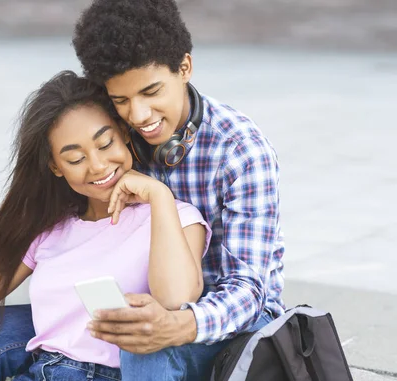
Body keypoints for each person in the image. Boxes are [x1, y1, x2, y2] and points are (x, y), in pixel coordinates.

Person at [0, 71, 211, 381]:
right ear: (55, 167)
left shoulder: (176, 217)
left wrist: (159, 196)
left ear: (124, 134)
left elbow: (176, 300)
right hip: (43, 371)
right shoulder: (52, 229)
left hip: (113, 375)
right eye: (75, 159)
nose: (98, 165)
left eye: (105, 144)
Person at [70, 0, 286, 379]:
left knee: (144, 352)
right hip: (141, 303)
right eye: (121, 100)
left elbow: (251, 291)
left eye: (151, 92)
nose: (139, 116)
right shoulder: (115, 141)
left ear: (184, 67)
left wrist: (178, 324)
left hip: (230, 324)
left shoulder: (241, 151)